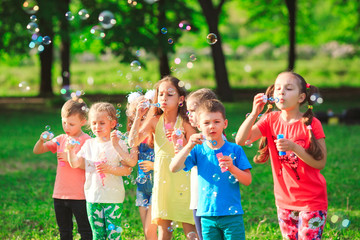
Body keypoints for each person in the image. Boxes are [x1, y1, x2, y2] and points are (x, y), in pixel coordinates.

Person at [235, 72, 328, 239]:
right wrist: (255, 112)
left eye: (288, 88)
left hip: (312, 201)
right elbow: (241, 139)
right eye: (277, 88)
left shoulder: (312, 123)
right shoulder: (270, 120)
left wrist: (294, 147)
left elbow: (320, 163)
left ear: (301, 98)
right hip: (284, 201)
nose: (281, 92)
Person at [170, 99, 252, 240]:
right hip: (207, 216)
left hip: (232, 216)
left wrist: (232, 167)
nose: (211, 126)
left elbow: (247, 180)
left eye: (216, 122)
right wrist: (188, 146)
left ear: (225, 123)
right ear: (199, 126)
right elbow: (174, 167)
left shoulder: (235, 150)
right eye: (206, 123)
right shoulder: (197, 150)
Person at [128, 76, 197, 240]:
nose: (164, 98)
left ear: (181, 99)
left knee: (190, 229)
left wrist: (180, 141)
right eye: (160, 94)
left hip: (184, 182)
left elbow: (197, 148)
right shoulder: (154, 121)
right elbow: (132, 141)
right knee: (165, 231)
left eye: (169, 94)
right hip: (163, 181)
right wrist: (138, 116)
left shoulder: (185, 122)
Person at [66, 102, 133, 240]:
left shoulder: (118, 144)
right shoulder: (89, 144)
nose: (97, 126)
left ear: (113, 123)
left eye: (102, 123)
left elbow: (127, 170)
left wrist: (110, 169)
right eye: (94, 123)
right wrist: (70, 151)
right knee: (97, 234)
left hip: (112, 198)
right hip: (92, 196)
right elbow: (75, 163)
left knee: (113, 234)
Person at [33, 99, 92, 240]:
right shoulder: (60, 139)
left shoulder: (87, 140)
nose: (67, 127)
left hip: (80, 195)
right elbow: (37, 151)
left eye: (71, 124)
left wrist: (70, 158)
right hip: (59, 194)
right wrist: (41, 140)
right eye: (64, 122)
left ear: (83, 121)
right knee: (64, 232)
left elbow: (88, 165)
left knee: (85, 231)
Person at [185, 88, 218, 240]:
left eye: (192, 110)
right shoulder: (195, 139)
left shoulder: (213, 138)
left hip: (212, 200)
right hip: (198, 198)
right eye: (188, 110)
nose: (189, 115)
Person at [125, 91, 157, 240]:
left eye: (146, 112)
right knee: (147, 233)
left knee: (150, 230)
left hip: (158, 186)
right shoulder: (136, 140)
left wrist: (153, 165)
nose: (143, 116)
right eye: (138, 114)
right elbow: (132, 161)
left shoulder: (157, 132)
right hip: (142, 188)